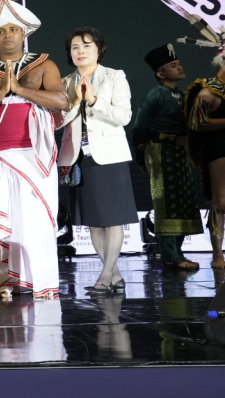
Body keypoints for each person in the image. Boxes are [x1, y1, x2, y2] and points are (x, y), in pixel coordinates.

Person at [0, 0, 69, 299]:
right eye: (1, 31)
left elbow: (62, 101)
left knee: (38, 220)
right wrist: (1, 91)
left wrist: (21, 90)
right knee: (3, 220)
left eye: (13, 29)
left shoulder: (44, 64)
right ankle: (6, 283)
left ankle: (43, 284)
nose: (7, 35)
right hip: (0, 154)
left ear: (24, 34)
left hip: (35, 154)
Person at [56, 27, 136, 294]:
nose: (80, 51)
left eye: (86, 46)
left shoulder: (114, 76)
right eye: (75, 47)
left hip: (109, 156)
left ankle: (104, 275)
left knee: (113, 219)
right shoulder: (65, 82)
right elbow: (56, 122)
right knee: (93, 220)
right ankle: (114, 275)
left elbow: (123, 116)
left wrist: (92, 100)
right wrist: (74, 102)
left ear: (98, 49)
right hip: (79, 158)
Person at [132, 45, 202, 270]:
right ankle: (173, 255)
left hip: (179, 151)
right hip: (160, 150)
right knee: (166, 201)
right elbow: (139, 127)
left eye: (178, 63)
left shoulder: (182, 96)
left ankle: (173, 254)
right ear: (160, 74)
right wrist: (141, 152)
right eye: (173, 65)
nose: (179, 67)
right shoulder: (155, 95)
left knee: (182, 201)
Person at [185, 51, 225, 270]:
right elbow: (196, 123)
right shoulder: (209, 89)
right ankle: (217, 253)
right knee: (220, 203)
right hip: (219, 149)